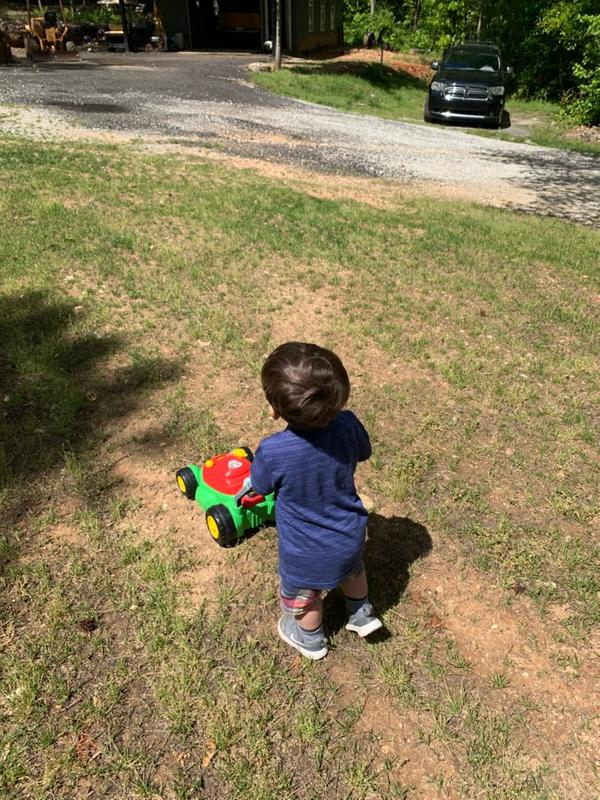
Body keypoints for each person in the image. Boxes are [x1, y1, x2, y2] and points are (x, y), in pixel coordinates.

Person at [250, 341, 382, 660]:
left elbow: (261, 485)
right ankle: (361, 613)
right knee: (353, 570)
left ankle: (309, 639)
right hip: (350, 534)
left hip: (304, 553)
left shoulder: (274, 450)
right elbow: (364, 451)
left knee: (305, 596)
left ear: (274, 409)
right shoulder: (348, 424)